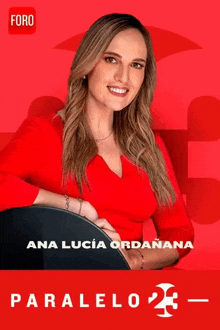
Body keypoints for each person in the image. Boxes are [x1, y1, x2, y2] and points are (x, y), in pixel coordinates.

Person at [0, 13, 194, 269]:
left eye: (137, 65)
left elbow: (180, 232)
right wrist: (78, 209)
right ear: (88, 65)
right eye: (111, 59)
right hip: (64, 293)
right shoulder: (43, 132)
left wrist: (134, 260)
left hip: (130, 294)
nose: (124, 77)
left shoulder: (150, 145)